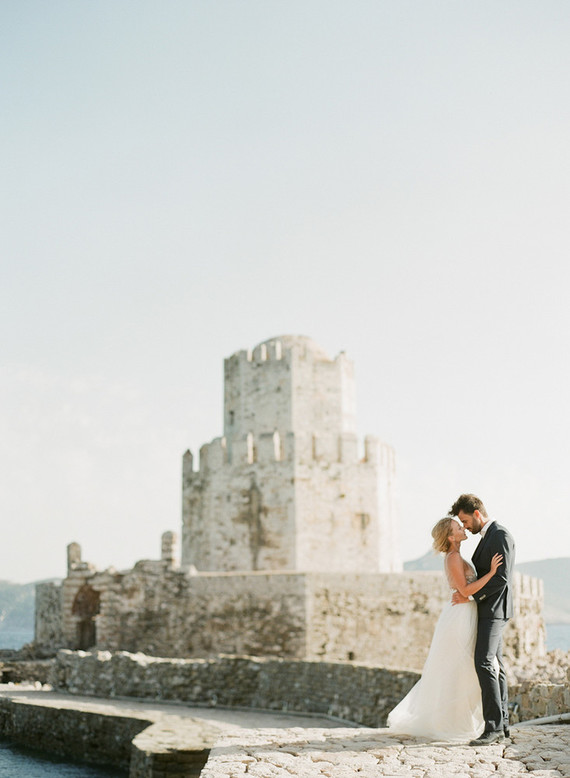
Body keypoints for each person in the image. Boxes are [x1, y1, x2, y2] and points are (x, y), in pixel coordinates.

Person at [387, 516, 503, 741]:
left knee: (464, 667)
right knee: (459, 667)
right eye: (458, 527)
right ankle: (454, 722)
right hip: (459, 617)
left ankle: (469, 720)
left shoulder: (457, 556)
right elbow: (465, 589)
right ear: (451, 537)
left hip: (465, 612)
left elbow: (465, 591)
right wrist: (491, 573)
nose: (462, 528)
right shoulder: (453, 557)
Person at [450, 494, 515, 746]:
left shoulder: (500, 535)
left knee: (484, 663)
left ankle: (493, 727)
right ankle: (503, 724)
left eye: (465, 521)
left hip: (495, 609)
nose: (465, 526)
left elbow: (501, 578)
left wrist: (472, 596)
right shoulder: (488, 537)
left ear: (477, 513)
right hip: (488, 608)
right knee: (495, 664)